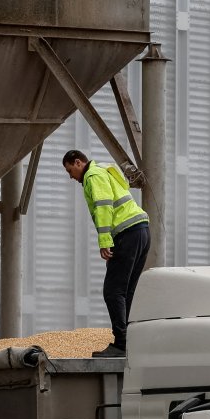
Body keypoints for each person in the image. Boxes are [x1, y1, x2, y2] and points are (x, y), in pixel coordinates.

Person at [62, 149, 149, 358]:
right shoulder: (104, 169)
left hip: (126, 233)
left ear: (78, 162)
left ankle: (121, 344)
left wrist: (104, 241)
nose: (70, 176)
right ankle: (132, 343)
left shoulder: (93, 175)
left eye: (69, 170)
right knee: (127, 291)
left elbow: (104, 206)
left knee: (113, 291)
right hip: (142, 230)